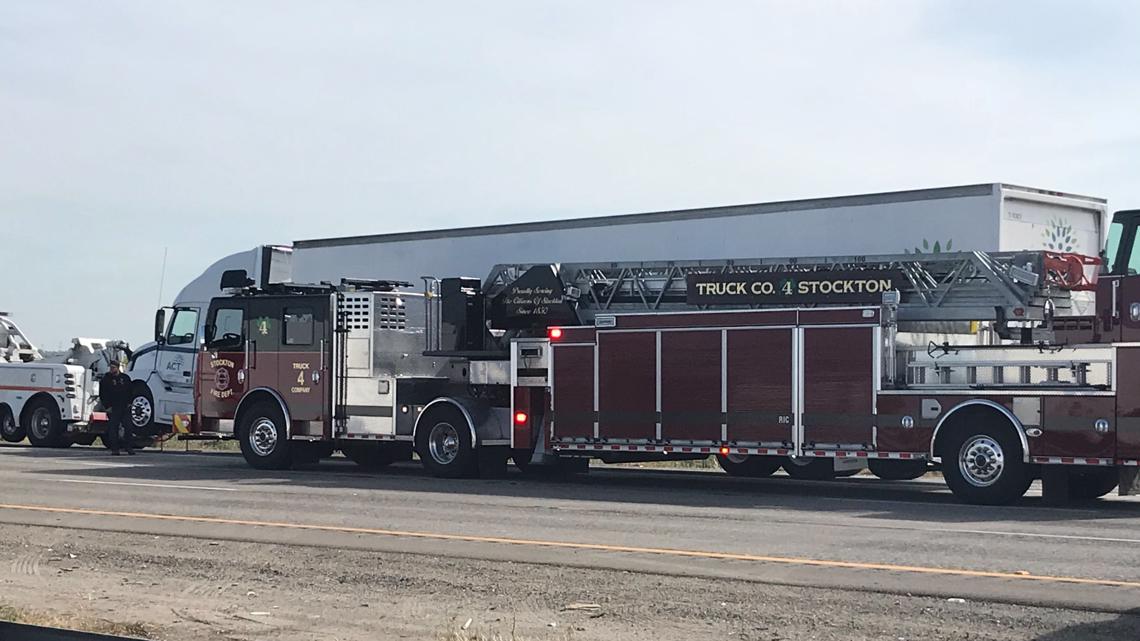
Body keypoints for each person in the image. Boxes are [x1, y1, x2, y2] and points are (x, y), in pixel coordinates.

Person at [99, 360, 135, 455]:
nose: (111, 369)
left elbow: (131, 391)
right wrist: (107, 406)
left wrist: (130, 403)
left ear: (118, 367)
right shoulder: (106, 379)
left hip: (125, 407)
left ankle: (129, 447)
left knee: (128, 427)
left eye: (113, 367)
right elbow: (102, 394)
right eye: (110, 367)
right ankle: (115, 449)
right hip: (113, 408)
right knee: (113, 429)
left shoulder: (125, 378)